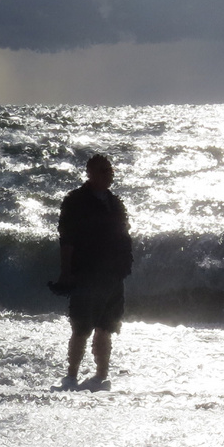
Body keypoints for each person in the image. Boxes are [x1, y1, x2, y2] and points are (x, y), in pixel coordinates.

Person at [53, 153, 133, 390]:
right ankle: (71, 376)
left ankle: (100, 376)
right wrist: (66, 272)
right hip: (87, 272)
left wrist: (125, 265)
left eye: (110, 170)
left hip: (113, 274)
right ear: (89, 173)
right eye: (103, 170)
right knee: (81, 326)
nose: (109, 175)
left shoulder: (115, 202)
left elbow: (124, 234)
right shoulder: (75, 201)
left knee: (107, 326)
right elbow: (67, 239)